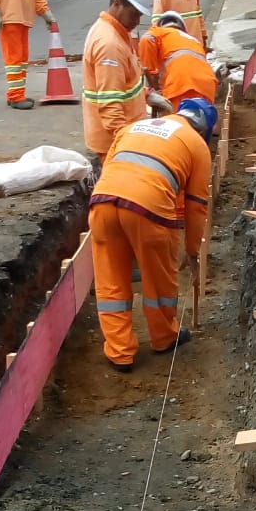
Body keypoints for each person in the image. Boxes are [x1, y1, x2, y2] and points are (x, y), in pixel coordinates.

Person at [88, 98, 217, 372]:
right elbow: (196, 206)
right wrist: (192, 250)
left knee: (111, 279)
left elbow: (108, 167)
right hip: (149, 207)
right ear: (204, 130)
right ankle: (164, 337)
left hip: (102, 201)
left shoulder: (134, 127)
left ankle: (119, 352)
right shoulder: (197, 146)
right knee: (159, 278)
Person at [82, 0, 153, 163]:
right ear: (117, 4)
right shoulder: (109, 44)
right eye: (134, 14)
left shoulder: (116, 32)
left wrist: (145, 94)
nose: (137, 21)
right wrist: (126, 146)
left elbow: (122, 83)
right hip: (116, 142)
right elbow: (110, 105)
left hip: (124, 135)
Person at [137, 10, 217, 111]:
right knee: (200, 122)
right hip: (207, 86)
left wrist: (151, 82)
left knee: (179, 123)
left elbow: (146, 39)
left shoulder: (160, 32)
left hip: (181, 84)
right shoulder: (194, 41)